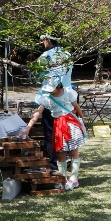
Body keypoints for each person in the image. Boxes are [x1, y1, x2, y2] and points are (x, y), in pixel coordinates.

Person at [21, 79, 86, 190]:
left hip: (71, 124)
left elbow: (76, 106)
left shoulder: (68, 93)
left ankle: (74, 179)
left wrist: (82, 119)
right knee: (61, 153)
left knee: (74, 151)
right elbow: (37, 113)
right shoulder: (46, 98)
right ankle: (62, 179)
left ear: (58, 86)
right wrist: (28, 128)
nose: (50, 92)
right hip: (59, 126)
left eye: (52, 89)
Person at [36, 35, 73, 169]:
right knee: (65, 130)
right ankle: (67, 156)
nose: (42, 43)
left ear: (48, 40)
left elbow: (38, 77)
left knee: (51, 132)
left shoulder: (45, 56)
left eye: (43, 40)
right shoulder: (67, 54)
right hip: (67, 96)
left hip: (51, 96)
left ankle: (54, 164)